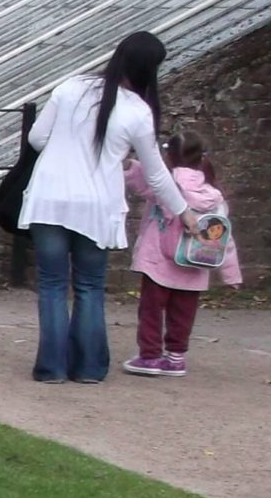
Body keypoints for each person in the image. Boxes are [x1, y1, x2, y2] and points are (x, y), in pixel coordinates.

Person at [19, 32, 200, 384]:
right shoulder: (137, 111)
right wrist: (184, 211)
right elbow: (156, 174)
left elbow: (37, 137)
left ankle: (52, 367)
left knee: (53, 285)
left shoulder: (71, 87)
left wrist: (67, 151)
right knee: (89, 286)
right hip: (96, 206)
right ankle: (88, 367)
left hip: (50, 197)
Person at [123, 130, 242, 378]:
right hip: (196, 263)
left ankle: (150, 356)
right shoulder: (214, 195)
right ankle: (176, 358)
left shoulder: (164, 182)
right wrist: (231, 275)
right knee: (183, 314)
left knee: (151, 311)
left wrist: (129, 163)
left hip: (157, 261)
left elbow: (139, 179)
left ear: (168, 155)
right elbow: (224, 237)